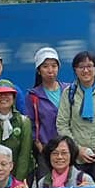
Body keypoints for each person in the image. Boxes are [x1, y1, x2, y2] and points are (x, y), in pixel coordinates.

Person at [56, 51, 95, 184]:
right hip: (79, 159)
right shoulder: (69, 93)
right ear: (75, 70)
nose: (86, 70)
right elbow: (62, 124)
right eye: (81, 67)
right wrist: (77, 149)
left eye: (90, 66)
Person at [25, 47, 69, 180]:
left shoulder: (69, 90)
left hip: (68, 150)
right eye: (45, 66)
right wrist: (39, 146)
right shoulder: (33, 96)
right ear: (39, 70)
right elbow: (31, 124)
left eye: (54, 66)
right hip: (46, 150)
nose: (50, 70)